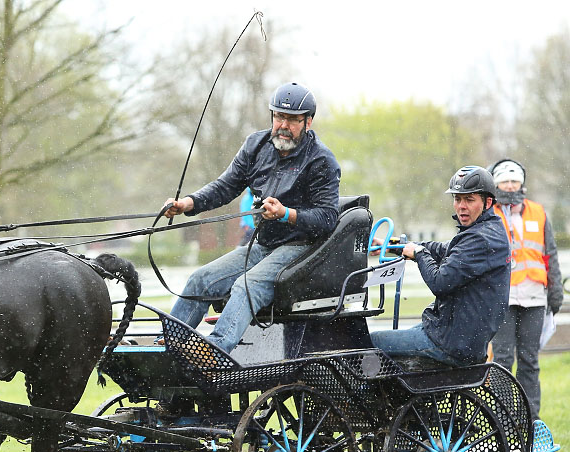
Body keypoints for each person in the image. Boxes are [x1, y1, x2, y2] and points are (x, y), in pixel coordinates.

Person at [162, 82, 341, 354]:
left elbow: (327, 218)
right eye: (279, 116)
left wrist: (285, 214)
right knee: (201, 279)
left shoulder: (321, 161)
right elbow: (226, 186)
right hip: (264, 245)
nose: (283, 125)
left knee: (248, 284)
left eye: (293, 120)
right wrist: (187, 203)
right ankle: (170, 345)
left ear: (308, 122)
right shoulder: (256, 146)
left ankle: (214, 352)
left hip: (303, 250)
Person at [371, 166, 511, 367]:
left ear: (487, 202)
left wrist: (419, 254)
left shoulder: (481, 238)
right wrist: (390, 244)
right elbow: (441, 249)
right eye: (457, 199)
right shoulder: (483, 231)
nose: (461, 206)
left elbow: (440, 282)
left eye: (469, 200)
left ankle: (356, 399)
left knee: (371, 342)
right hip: (452, 334)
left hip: (452, 343)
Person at [488, 158, 563, 421]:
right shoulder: (490, 215)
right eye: (504, 182)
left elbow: (549, 254)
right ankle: (502, 420)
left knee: (530, 361)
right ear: (495, 185)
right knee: (503, 361)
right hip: (502, 299)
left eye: (514, 180)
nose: (509, 186)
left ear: (522, 183)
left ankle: (531, 420)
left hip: (534, 298)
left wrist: (555, 292)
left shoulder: (538, 212)